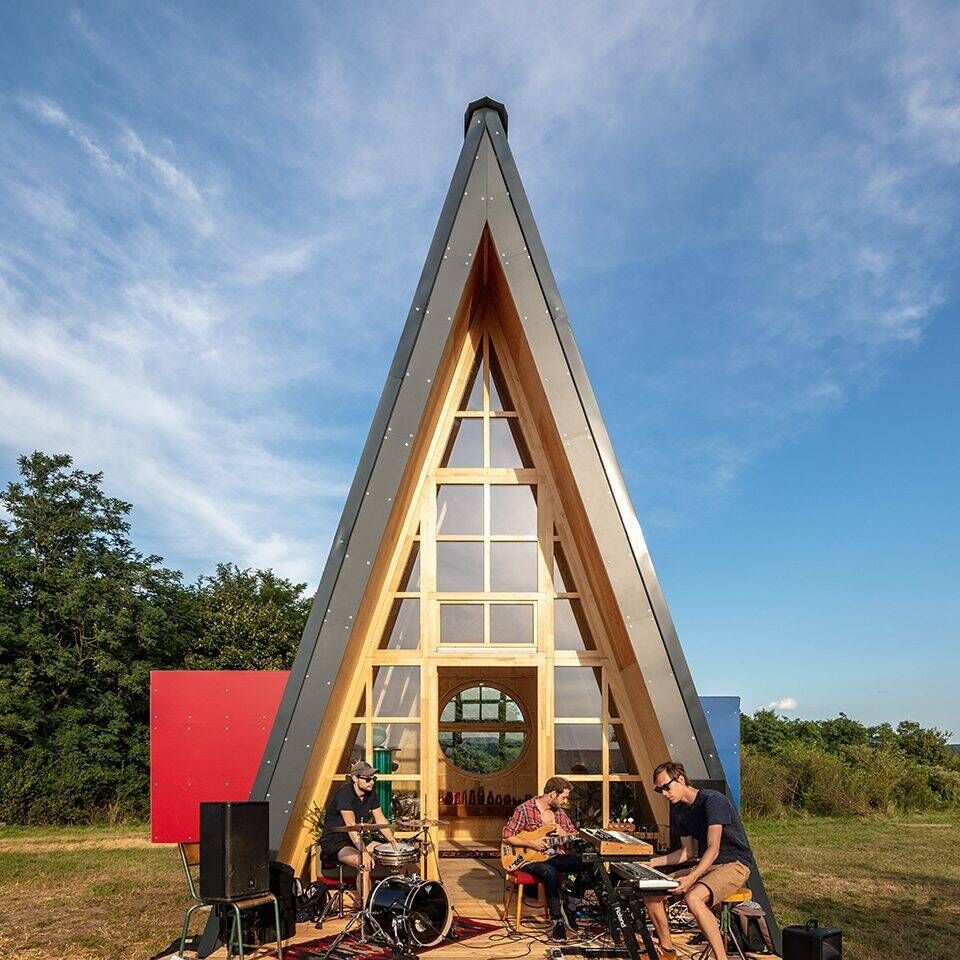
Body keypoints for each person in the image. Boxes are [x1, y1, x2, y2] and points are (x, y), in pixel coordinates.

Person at [642, 761, 755, 960]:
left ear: (681, 779)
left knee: (693, 897)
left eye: (666, 787)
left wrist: (691, 877)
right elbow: (686, 852)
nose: (664, 794)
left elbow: (713, 847)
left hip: (735, 863)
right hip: (708, 864)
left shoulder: (713, 801)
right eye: (659, 790)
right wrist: (652, 863)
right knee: (652, 892)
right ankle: (667, 951)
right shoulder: (678, 810)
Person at [502, 776, 586, 943]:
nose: (565, 801)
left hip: (553, 856)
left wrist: (564, 833)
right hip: (528, 859)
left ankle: (570, 906)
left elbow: (573, 834)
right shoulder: (525, 809)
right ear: (553, 794)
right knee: (550, 872)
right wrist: (531, 843)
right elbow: (507, 836)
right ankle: (557, 922)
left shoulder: (559, 813)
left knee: (587, 862)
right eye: (563, 797)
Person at [318, 760, 400, 903]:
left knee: (393, 854)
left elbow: (380, 819)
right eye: (367, 779)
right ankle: (367, 908)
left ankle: (395, 900)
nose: (371, 782)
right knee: (364, 864)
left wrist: (393, 842)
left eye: (373, 779)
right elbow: (351, 825)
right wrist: (363, 852)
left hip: (355, 839)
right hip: (335, 841)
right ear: (355, 778)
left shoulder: (371, 793)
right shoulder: (344, 793)